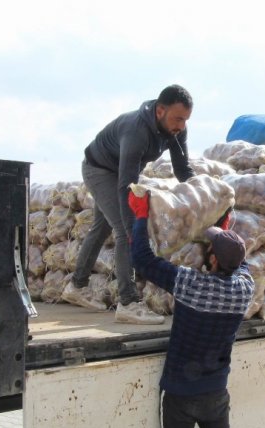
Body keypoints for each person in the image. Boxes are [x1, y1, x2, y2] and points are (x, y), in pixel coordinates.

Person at [128, 191, 254, 428]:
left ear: (211, 258)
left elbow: (143, 260)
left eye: (209, 248)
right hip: (215, 393)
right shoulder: (244, 290)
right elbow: (241, 263)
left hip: (181, 394)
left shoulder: (190, 284)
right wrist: (225, 233)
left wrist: (140, 216)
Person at [61, 84, 195, 324]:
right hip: (100, 170)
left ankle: (77, 286)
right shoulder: (137, 130)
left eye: (185, 120)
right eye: (178, 119)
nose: (182, 126)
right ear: (160, 111)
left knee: (101, 228)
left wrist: (202, 192)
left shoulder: (175, 130)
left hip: (120, 173)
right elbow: (126, 185)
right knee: (125, 230)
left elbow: (182, 169)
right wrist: (134, 227)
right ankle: (128, 303)